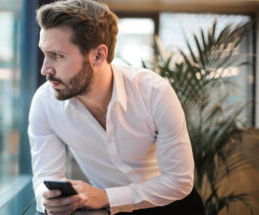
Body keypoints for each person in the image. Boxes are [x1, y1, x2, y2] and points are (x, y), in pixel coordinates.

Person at [28, 0, 204, 214]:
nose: (45, 69)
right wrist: (48, 201)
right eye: (45, 53)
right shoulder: (44, 103)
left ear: (98, 56)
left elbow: (179, 181)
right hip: (110, 209)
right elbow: (45, 177)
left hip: (173, 205)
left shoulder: (154, 92)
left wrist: (106, 196)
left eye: (57, 55)